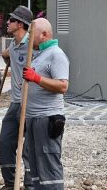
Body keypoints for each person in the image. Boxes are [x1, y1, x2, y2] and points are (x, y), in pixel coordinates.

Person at [22, 18, 69, 190]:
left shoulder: (56, 54)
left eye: (31, 34)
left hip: (47, 117)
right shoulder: (39, 55)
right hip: (34, 117)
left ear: (43, 35)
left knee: (48, 164)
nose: (28, 37)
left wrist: (36, 78)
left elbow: (63, 85)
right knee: (35, 165)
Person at [0, 5, 34, 190]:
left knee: (29, 148)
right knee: (5, 141)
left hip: (31, 104)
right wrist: (6, 57)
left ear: (20, 24)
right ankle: (10, 183)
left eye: (11, 20)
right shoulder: (13, 44)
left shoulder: (32, 45)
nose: (7, 22)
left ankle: (29, 185)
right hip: (15, 102)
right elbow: (7, 54)